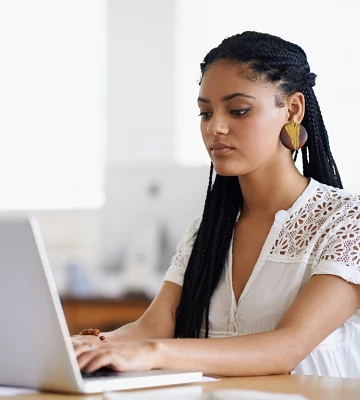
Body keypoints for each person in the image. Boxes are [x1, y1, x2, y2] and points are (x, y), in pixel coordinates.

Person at [72, 31, 360, 378]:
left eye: (238, 110)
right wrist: (87, 346)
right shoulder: (205, 232)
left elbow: (287, 347)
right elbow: (151, 328)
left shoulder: (346, 222)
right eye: (205, 114)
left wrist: (151, 353)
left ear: (293, 109)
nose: (215, 128)